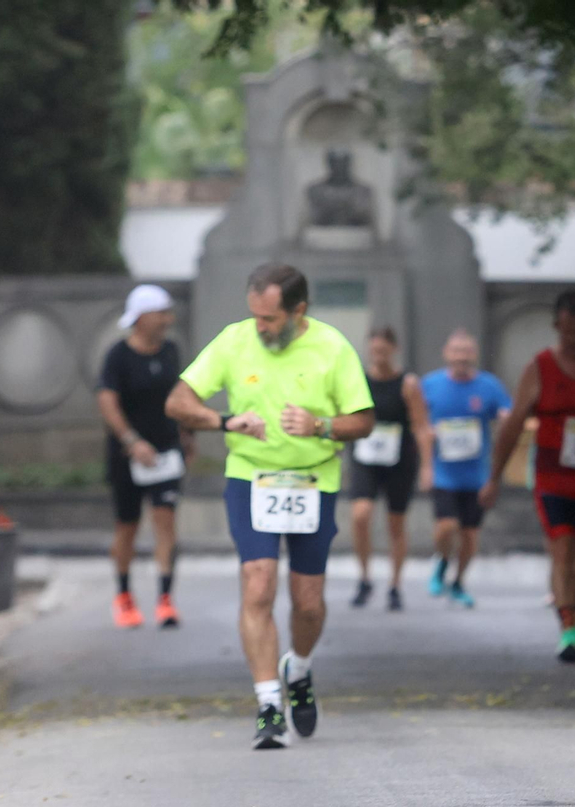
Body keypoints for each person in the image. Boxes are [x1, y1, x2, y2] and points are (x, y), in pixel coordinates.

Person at [166, 263, 374, 750]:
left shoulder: (331, 346)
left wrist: (321, 426)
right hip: (251, 479)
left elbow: (364, 420)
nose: (261, 328)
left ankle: (297, 669)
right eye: (255, 317)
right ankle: (267, 706)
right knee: (257, 584)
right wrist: (224, 421)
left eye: (270, 319)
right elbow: (178, 402)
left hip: (313, 481)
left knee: (308, 602)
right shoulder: (234, 341)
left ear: (298, 311)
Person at [483, 290, 575, 662]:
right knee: (562, 550)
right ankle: (568, 627)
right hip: (553, 478)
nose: (573, 340)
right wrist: (493, 476)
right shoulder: (540, 368)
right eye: (566, 332)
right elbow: (512, 426)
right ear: (557, 327)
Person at [97, 285, 192, 630]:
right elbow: (107, 401)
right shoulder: (117, 356)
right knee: (128, 525)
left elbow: (178, 395)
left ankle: (166, 598)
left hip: (166, 451)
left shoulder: (170, 351)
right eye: (162, 313)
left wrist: (187, 435)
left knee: (165, 519)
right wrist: (131, 440)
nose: (168, 319)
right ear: (142, 318)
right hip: (128, 456)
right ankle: (124, 595)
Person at [343, 328, 432, 612]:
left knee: (396, 523)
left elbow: (420, 425)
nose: (378, 356)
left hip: (398, 459)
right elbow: (345, 415)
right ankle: (364, 577)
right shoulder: (358, 380)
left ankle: (395, 585)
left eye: (383, 351)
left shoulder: (407, 384)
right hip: (364, 456)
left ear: (394, 350)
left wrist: (428, 465)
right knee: (361, 514)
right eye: (374, 351)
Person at [420, 330, 511, 608]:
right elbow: (416, 423)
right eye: (456, 350)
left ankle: (458, 582)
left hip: (477, 475)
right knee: (447, 526)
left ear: (474, 354)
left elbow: (508, 415)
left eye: (466, 350)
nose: (461, 356)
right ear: (446, 353)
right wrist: (427, 440)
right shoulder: (430, 384)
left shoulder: (489, 386)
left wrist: (506, 421)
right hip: (443, 472)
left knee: (470, 535)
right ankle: (442, 561)